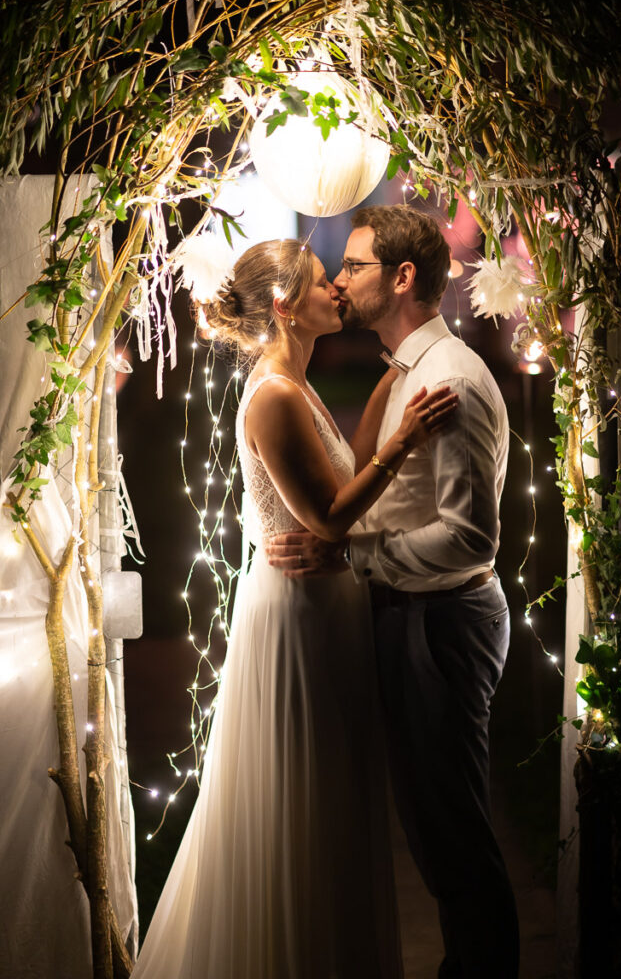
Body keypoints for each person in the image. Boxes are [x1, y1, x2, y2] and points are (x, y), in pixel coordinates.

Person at [131, 237, 458, 979]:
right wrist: (406, 440)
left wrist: (392, 386)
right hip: (297, 619)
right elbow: (331, 517)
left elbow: (343, 469)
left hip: (325, 609)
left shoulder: (296, 382)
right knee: (307, 803)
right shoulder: (275, 394)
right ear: (284, 305)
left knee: (333, 800)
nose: (336, 288)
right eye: (320, 282)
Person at [266, 206, 520, 979]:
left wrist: (352, 555)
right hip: (415, 615)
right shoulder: (407, 371)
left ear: (402, 277)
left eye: (354, 265)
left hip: (441, 621)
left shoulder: (448, 381)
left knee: (452, 838)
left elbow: (469, 540)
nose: (340, 281)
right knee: (434, 831)